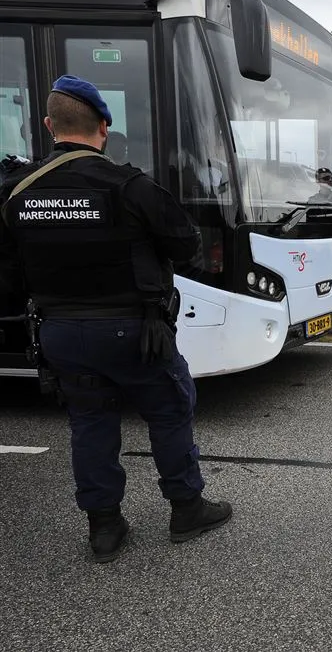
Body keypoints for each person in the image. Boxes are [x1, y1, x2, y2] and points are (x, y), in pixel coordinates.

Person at [0, 75, 232, 563]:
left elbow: (9, 277)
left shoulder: (18, 193)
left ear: (48, 126)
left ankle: (104, 527)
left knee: (90, 423)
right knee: (169, 412)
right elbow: (187, 246)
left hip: (60, 331)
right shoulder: (131, 186)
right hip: (135, 332)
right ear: (104, 126)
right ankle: (186, 508)